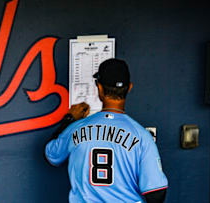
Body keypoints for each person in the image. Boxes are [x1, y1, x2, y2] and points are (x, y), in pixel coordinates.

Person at [45, 58, 168, 203]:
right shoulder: (142, 136)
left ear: (100, 88)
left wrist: (70, 119)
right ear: (129, 88)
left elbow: (52, 155)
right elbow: (156, 193)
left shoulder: (76, 129)